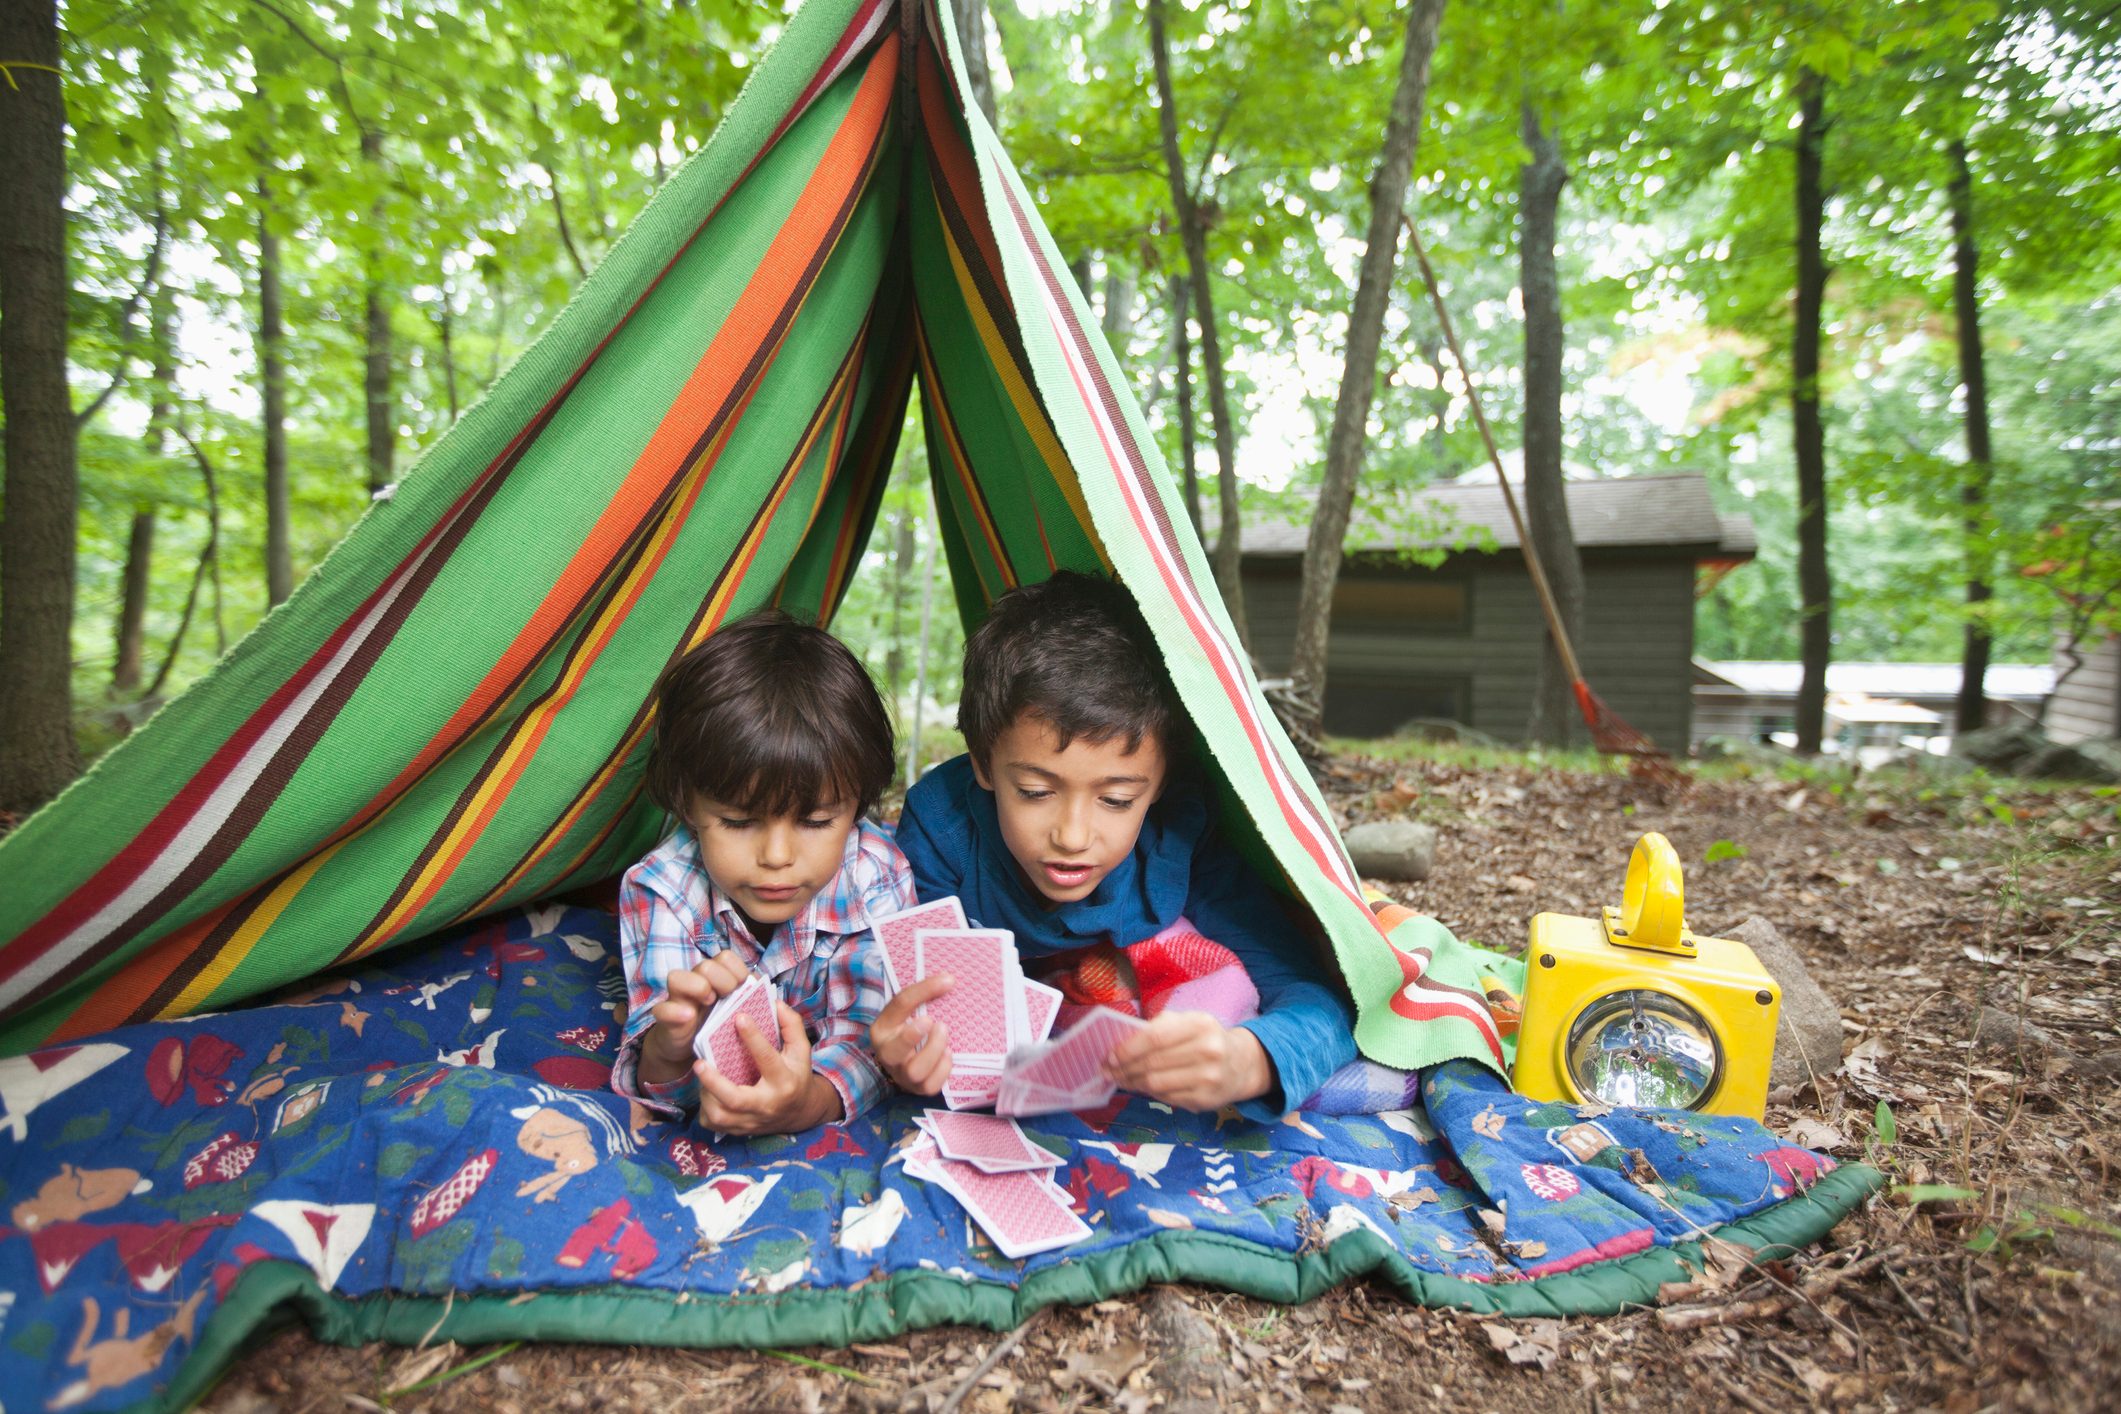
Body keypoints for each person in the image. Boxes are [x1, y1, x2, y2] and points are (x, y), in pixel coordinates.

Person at [873, 572, 1358, 1122]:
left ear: (1162, 783)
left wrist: (1252, 1060)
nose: (1073, 837)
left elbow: (1315, 997)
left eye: (1118, 799)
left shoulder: (1180, 838)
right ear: (984, 764)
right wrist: (900, 1057)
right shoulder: (941, 832)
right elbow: (911, 1007)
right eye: (1035, 792)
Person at [610, 610, 913, 1135]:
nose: (777, 855)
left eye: (817, 820)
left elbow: (872, 1042)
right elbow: (663, 1084)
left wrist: (809, 1102)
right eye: (739, 820)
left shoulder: (877, 872)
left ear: (859, 806)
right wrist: (671, 1047)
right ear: (686, 801)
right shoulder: (661, 888)